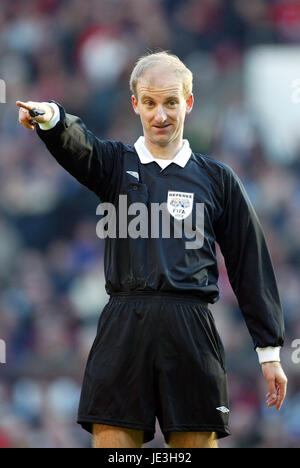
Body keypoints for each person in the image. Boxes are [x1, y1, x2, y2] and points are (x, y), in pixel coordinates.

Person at [16, 51, 287, 449]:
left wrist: (269, 351)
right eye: (150, 102)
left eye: (171, 102)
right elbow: (79, 145)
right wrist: (51, 119)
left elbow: (250, 263)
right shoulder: (113, 164)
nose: (160, 115)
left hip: (192, 327)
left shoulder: (218, 180)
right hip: (123, 325)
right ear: (136, 105)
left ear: (188, 103)